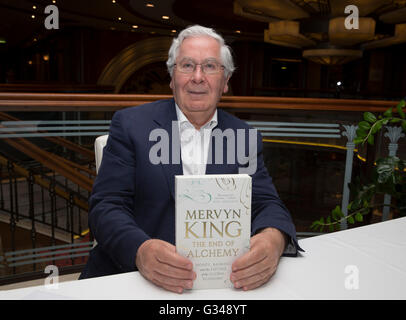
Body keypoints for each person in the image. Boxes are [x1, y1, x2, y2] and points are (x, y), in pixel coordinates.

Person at [79, 25, 301, 293]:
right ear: (172, 77)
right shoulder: (130, 125)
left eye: (210, 66)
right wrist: (141, 250)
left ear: (225, 80)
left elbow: (267, 203)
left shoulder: (243, 136)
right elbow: (106, 206)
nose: (198, 77)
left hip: (221, 284)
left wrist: (273, 240)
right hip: (132, 280)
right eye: (187, 65)